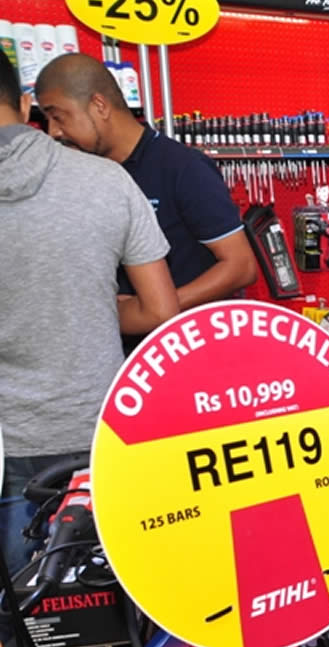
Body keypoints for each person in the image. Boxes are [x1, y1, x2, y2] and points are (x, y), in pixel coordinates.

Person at [0, 52, 178, 573]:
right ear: (26, 105)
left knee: (23, 610)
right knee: (114, 597)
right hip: (103, 432)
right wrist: (88, 303)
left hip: (9, 445)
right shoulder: (107, 181)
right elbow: (161, 311)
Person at [35, 54, 257, 352]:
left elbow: (241, 266)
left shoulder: (182, 167)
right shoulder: (84, 176)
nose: (53, 132)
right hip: (117, 354)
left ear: (99, 105)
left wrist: (153, 309)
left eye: (58, 117)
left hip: (185, 353)